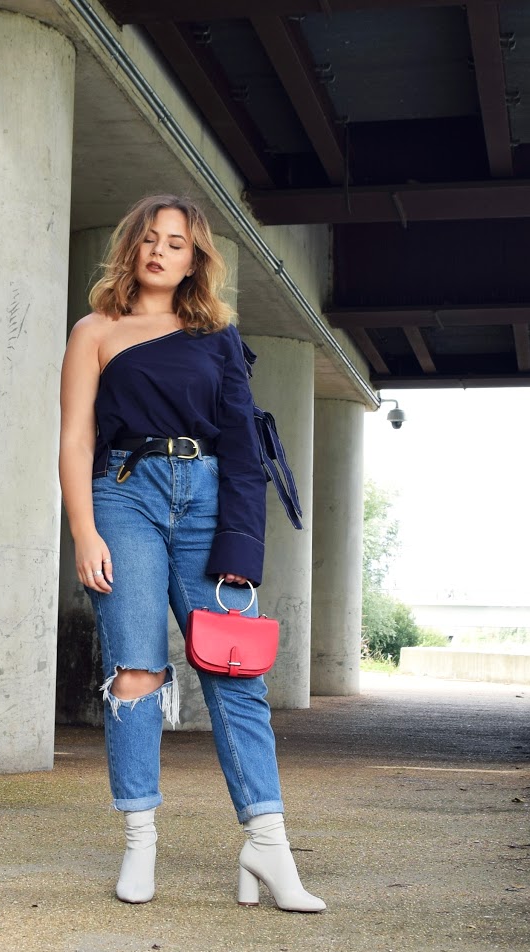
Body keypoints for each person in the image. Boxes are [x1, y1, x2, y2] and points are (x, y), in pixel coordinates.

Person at [57, 193, 325, 912]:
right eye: (149, 238)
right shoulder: (95, 331)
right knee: (136, 671)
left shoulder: (218, 336)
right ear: (130, 247)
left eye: (175, 243)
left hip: (208, 501)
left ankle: (268, 845)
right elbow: (77, 438)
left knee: (237, 672)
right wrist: (84, 530)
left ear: (193, 260)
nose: (159, 251)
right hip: (124, 497)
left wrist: (241, 543)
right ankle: (140, 841)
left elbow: (242, 444)